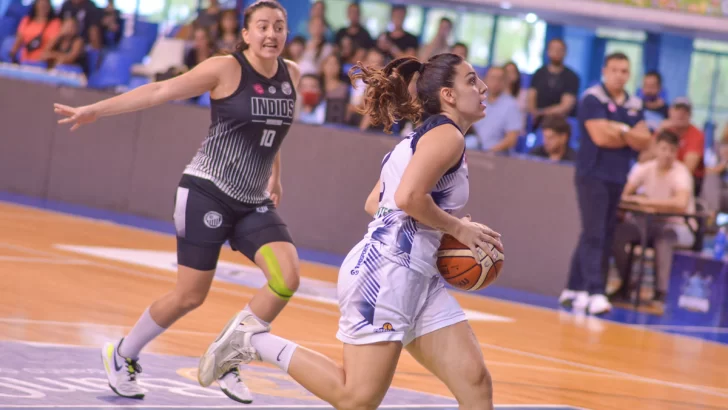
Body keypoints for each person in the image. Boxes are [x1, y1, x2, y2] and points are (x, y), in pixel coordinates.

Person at [197, 53, 504, 410]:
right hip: (387, 274)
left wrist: (439, 229)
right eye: (471, 79)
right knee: (356, 397)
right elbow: (406, 198)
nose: (482, 87)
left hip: (418, 275)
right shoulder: (447, 137)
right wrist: (456, 228)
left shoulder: (424, 137)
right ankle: (252, 342)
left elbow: (376, 202)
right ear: (448, 95)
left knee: (476, 384)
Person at [53, 1, 301, 404]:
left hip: (252, 200)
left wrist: (276, 176)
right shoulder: (226, 68)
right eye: (262, 26)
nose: (271, 34)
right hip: (207, 192)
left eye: (279, 26)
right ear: (245, 34)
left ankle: (229, 357)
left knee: (286, 277)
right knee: (190, 295)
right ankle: (122, 354)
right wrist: (95, 109)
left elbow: (275, 131)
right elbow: (161, 90)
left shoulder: (293, 73)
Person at [559, 52, 651, 315]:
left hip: (618, 175)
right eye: (614, 70)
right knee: (595, 232)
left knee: (602, 231)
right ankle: (595, 290)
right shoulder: (592, 98)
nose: (619, 75)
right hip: (592, 174)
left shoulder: (634, 103)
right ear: (604, 71)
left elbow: (645, 142)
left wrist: (618, 131)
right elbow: (600, 137)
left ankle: (572, 288)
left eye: (624, 70)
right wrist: (627, 132)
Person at [612, 130, 695, 304]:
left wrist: (648, 203)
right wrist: (634, 200)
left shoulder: (681, 172)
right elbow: (624, 194)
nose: (667, 154)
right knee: (618, 233)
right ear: (656, 148)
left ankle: (661, 293)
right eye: (664, 149)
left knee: (664, 237)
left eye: (672, 150)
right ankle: (626, 284)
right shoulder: (645, 168)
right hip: (647, 224)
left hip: (679, 226)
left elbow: (680, 203)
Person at [527, 38, 580, 131]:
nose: (556, 52)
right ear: (548, 51)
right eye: (553, 49)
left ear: (565, 52)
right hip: (537, 123)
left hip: (559, 124)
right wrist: (534, 112)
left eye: (560, 50)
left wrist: (542, 112)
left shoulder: (572, 77)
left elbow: (565, 106)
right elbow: (531, 97)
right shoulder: (539, 73)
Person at [9, 0, 61, 64]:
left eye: (45, 5)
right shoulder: (26, 20)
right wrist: (12, 54)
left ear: (50, 6)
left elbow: (51, 44)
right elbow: (19, 39)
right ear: (36, 5)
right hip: (24, 59)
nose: (43, 7)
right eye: (40, 4)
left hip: (42, 62)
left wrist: (41, 58)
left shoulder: (55, 23)